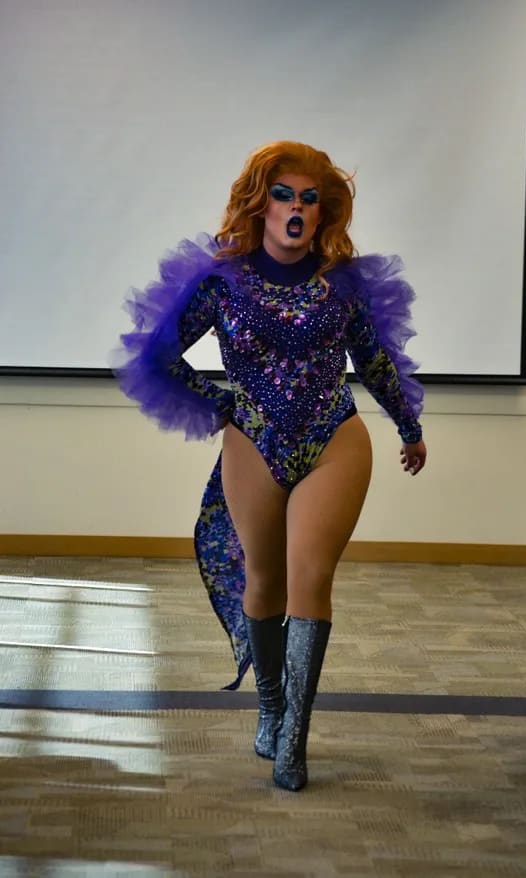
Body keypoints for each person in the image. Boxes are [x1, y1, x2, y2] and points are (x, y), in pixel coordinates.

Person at [114, 140, 426, 791]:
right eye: (283, 195)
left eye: (309, 199)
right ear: (260, 204)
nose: (295, 209)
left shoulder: (342, 285)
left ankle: (294, 739)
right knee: (264, 581)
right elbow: (156, 355)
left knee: (311, 578)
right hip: (252, 442)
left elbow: (374, 362)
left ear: (322, 211)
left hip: (333, 440)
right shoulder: (223, 282)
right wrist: (219, 402)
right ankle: (271, 706)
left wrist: (408, 426)